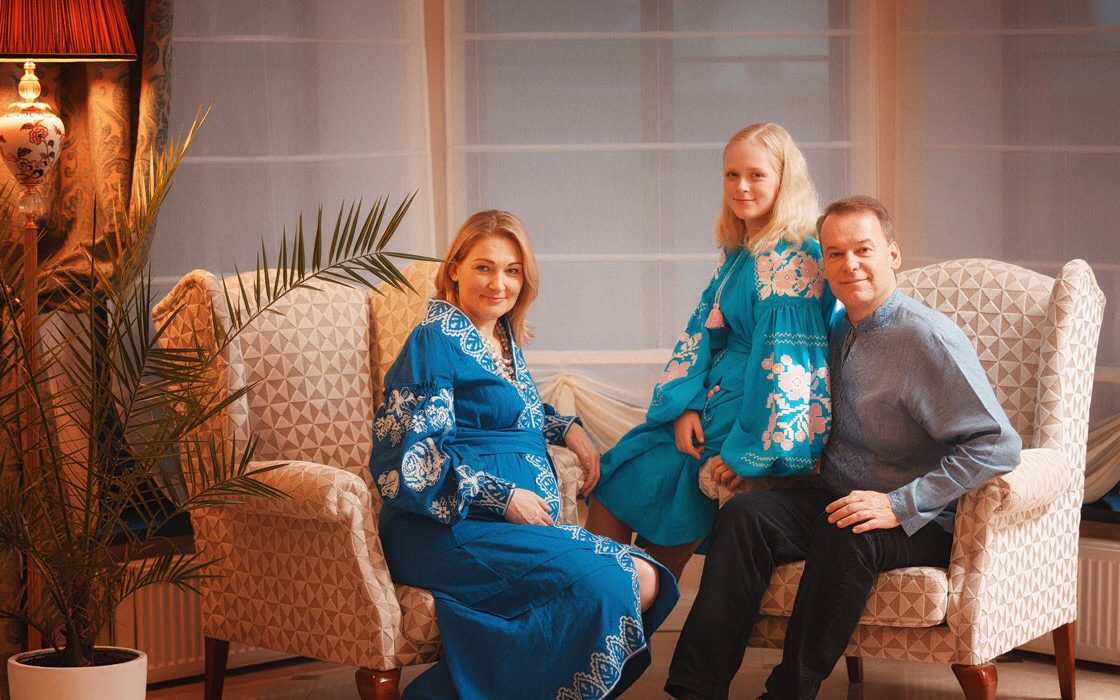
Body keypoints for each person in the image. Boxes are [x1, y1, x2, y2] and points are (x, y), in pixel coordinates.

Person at [665, 195, 1023, 700]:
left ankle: (788, 692)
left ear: (893, 255)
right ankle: (693, 691)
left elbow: (997, 446)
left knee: (846, 528)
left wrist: (899, 504)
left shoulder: (927, 339)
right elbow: (788, 406)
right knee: (745, 516)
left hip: (917, 519)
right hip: (833, 495)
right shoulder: (830, 328)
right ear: (823, 263)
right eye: (834, 253)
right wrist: (750, 460)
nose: (848, 264)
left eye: (863, 249)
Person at [371, 210, 680, 699]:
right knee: (622, 581)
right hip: (446, 530)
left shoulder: (499, 339)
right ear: (455, 268)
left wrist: (568, 427)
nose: (499, 283)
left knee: (644, 578)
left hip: (502, 526)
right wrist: (501, 497)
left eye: (512, 270)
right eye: (484, 267)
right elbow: (405, 464)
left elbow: (506, 413)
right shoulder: (432, 340)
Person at [587, 123, 835, 578]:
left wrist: (746, 455)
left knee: (672, 493)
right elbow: (701, 330)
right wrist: (685, 405)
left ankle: (629, 619)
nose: (741, 187)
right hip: (708, 403)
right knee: (618, 475)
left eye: (756, 175)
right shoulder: (741, 250)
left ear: (784, 180)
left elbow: (788, 372)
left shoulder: (793, 258)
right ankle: (608, 623)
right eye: (731, 174)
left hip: (747, 417)